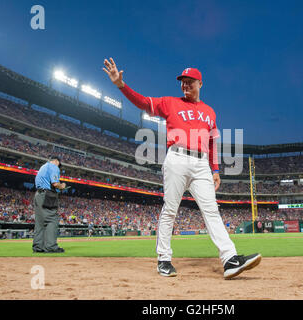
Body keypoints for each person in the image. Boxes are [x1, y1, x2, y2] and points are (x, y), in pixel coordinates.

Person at [103, 58, 261, 279]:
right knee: (170, 209)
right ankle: (164, 259)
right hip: (177, 158)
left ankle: (229, 260)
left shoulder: (210, 112)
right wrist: (121, 85)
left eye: (189, 81)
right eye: (182, 82)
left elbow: (213, 142)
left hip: (201, 164)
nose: (185, 85)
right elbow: (142, 102)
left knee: (212, 211)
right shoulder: (169, 103)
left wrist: (215, 170)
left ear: (200, 83)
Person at [32, 157, 67, 253]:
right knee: (52, 220)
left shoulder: (43, 167)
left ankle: (38, 247)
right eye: (59, 165)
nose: (58, 167)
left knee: (40, 222)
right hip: (47, 195)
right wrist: (62, 186)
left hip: (38, 195)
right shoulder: (54, 166)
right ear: (56, 161)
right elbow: (55, 183)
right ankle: (51, 247)